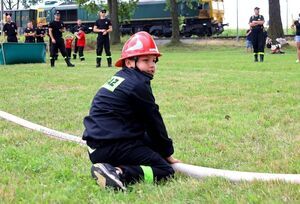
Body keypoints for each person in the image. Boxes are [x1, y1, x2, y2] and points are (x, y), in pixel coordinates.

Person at [82, 31, 179, 190]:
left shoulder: (122, 78)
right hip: (112, 146)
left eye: (154, 60)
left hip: (99, 145)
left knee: (151, 146)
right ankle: (118, 173)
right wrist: (167, 152)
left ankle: (112, 167)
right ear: (129, 62)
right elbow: (154, 121)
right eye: (145, 60)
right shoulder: (137, 85)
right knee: (165, 170)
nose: (152, 65)